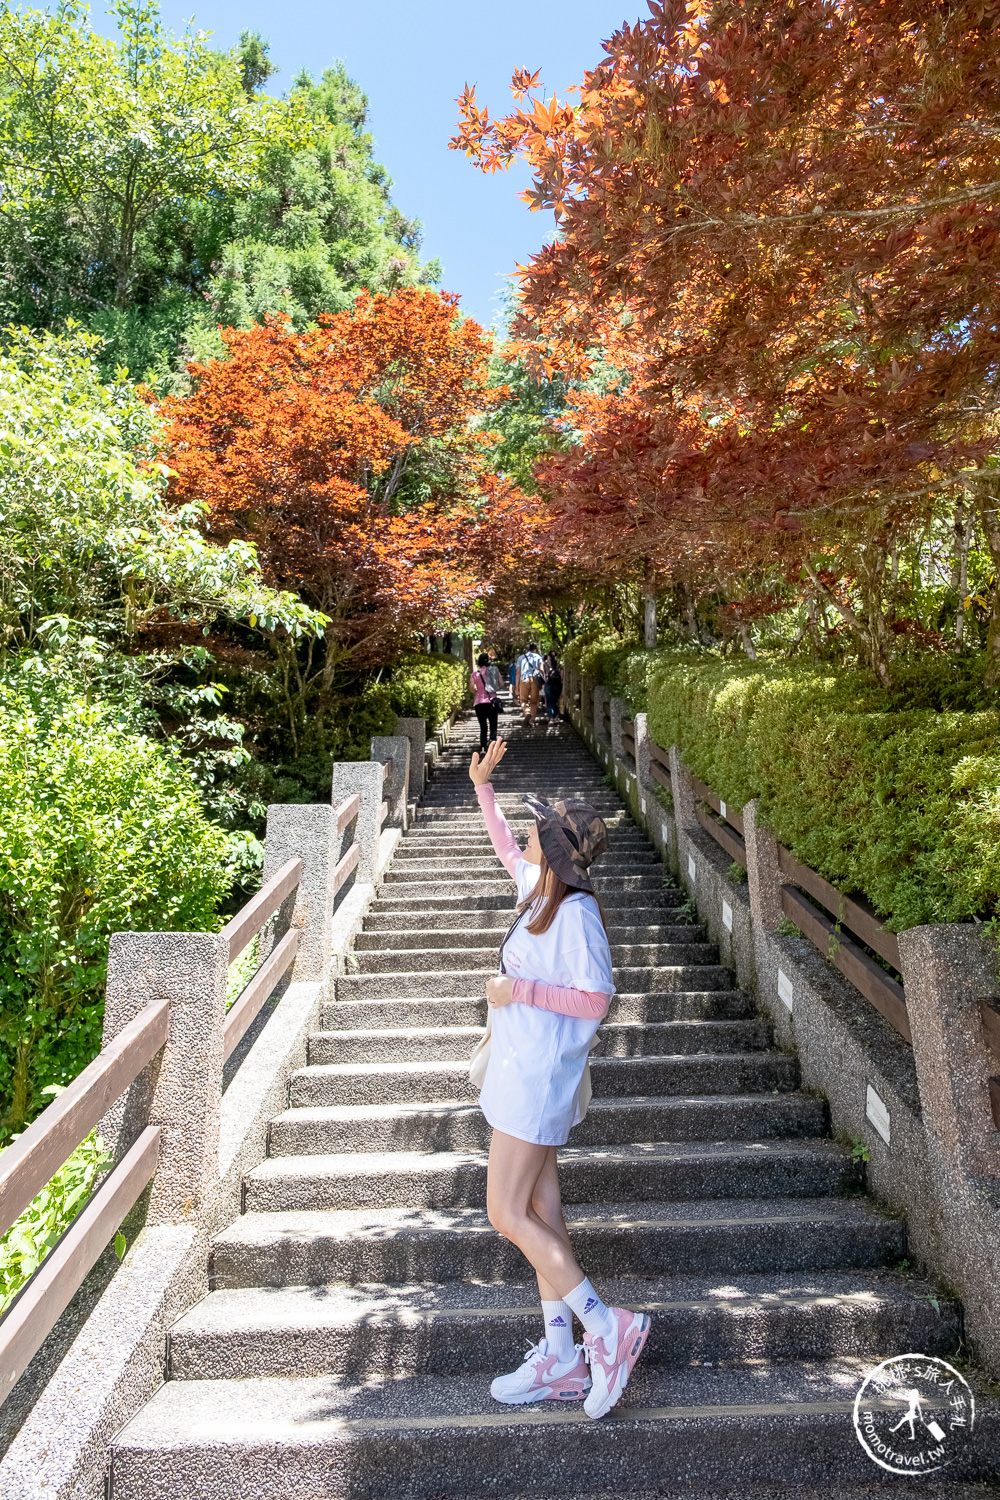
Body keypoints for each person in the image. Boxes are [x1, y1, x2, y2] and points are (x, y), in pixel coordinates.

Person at [468, 737, 651, 1419]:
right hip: (522, 1071)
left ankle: (607, 1327)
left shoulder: (575, 914)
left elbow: (596, 998)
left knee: (505, 1212)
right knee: (542, 1212)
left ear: (557, 846)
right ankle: (560, 1357)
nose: (526, 833)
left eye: (536, 827)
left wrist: (520, 994)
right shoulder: (538, 889)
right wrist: (480, 788)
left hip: (538, 1077)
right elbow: (504, 852)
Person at [470, 652, 502, 753]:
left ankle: (483, 747)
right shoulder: (494, 672)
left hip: (479, 703)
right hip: (492, 701)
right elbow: (501, 684)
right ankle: (492, 745)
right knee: (493, 725)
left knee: (483, 726)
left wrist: (478, 692)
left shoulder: (475, 674)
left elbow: (471, 688)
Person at [515, 640, 544, 725]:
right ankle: (531, 721)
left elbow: (518, 672)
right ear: (535, 649)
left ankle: (527, 712)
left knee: (523, 700)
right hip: (535, 679)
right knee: (534, 702)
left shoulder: (521, 658)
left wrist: (516, 687)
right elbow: (541, 670)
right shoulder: (538, 657)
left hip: (524, 679)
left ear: (527, 649)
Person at [542, 650, 562, 720]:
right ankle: (556, 717)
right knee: (555, 701)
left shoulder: (545, 663)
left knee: (549, 702)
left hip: (548, 684)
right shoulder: (559, 664)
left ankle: (550, 718)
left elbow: (542, 673)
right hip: (558, 684)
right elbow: (562, 674)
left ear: (549, 656)